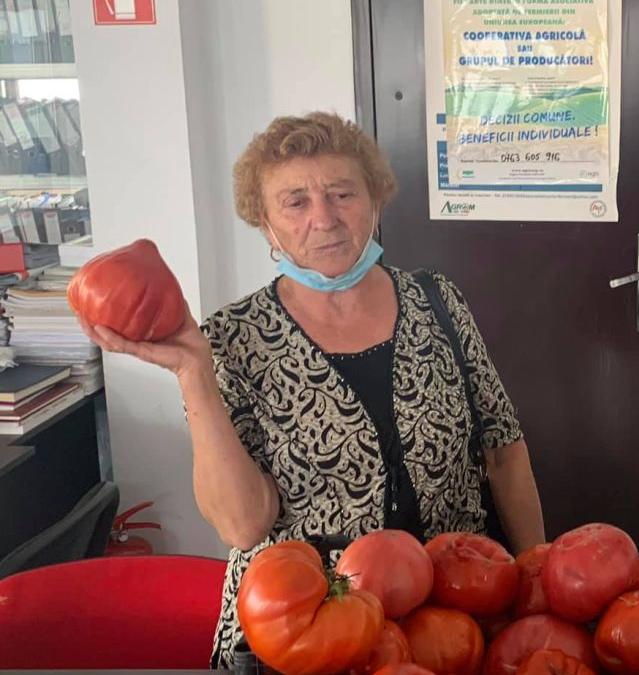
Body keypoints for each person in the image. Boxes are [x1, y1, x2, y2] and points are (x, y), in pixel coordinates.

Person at [80, 112, 546, 666]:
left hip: (453, 613)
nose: (323, 218)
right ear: (266, 224)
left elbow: (503, 449)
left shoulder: (438, 300)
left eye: (342, 193)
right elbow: (243, 523)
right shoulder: (232, 338)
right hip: (303, 629)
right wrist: (193, 374)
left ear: (375, 199)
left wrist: (532, 581)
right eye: (295, 201)